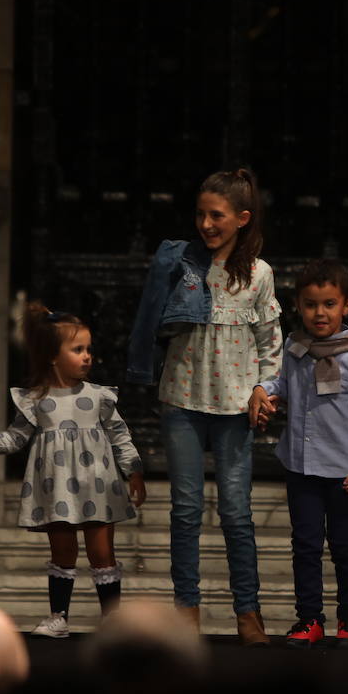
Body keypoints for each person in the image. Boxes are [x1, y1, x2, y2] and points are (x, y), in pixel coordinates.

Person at [126, 168, 283, 646]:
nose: (206, 223)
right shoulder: (180, 263)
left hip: (236, 406)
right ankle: (185, 611)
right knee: (186, 511)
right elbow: (153, 319)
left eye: (216, 215)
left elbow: (269, 341)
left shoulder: (258, 274)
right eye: (200, 214)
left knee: (236, 512)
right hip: (183, 398)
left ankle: (248, 612)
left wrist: (264, 387)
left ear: (242, 218)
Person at [0, 306, 146, 636]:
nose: (87, 357)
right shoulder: (35, 400)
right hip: (56, 488)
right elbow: (15, 438)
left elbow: (120, 435)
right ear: (52, 357)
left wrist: (134, 471)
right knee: (63, 551)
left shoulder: (98, 397)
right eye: (78, 350)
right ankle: (58, 616)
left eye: (88, 349)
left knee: (102, 552)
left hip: (98, 486)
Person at [249, 259, 348, 648]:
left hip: (343, 470)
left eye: (328, 304)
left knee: (344, 546)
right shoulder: (295, 349)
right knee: (305, 546)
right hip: (301, 467)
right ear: (298, 306)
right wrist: (264, 389)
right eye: (310, 304)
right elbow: (283, 384)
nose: (319, 313)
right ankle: (309, 618)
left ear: (346, 306)